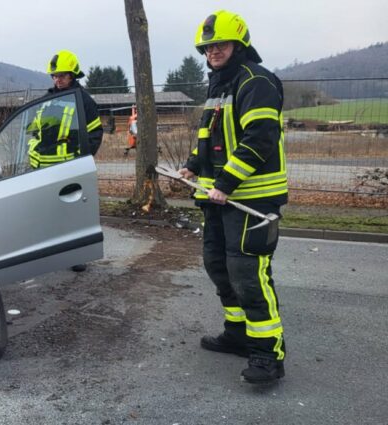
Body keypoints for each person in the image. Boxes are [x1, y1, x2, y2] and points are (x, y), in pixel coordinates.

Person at [178, 10, 288, 384]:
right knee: (218, 266)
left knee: (248, 274)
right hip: (218, 198)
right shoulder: (219, 85)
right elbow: (209, 134)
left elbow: (259, 139)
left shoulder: (256, 81)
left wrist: (224, 183)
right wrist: (193, 164)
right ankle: (238, 334)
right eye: (207, 47)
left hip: (252, 201)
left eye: (220, 44)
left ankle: (268, 354)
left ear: (238, 44)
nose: (213, 51)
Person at [28, 49, 103, 272]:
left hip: (69, 168)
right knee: (46, 213)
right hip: (42, 169)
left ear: (73, 75)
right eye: (54, 75)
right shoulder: (45, 101)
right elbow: (33, 132)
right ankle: (48, 253)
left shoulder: (84, 101)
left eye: (62, 75)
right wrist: (33, 152)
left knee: (72, 215)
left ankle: (75, 256)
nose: (57, 79)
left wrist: (81, 161)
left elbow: (94, 134)